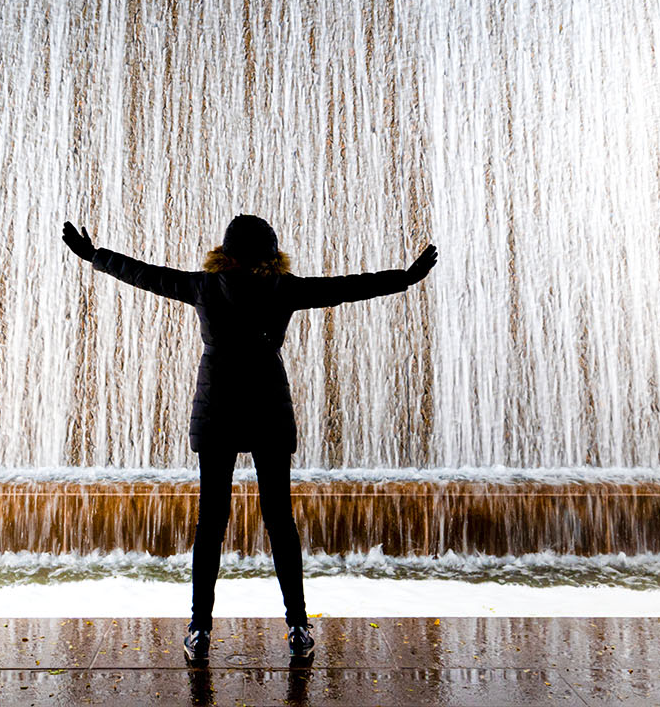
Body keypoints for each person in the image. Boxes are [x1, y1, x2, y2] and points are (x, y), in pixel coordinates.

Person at [61, 214, 437, 663]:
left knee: (211, 522)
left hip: (216, 409)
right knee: (280, 520)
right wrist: (406, 279)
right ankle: (297, 627)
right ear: (271, 253)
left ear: (227, 251)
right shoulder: (284, 288)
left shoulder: (205, 286)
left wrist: (94, 256)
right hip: (267, 409)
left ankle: (199, 630)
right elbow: (347, 287)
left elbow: (145, 275)